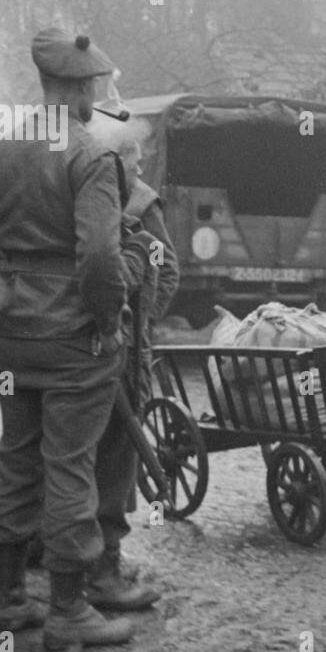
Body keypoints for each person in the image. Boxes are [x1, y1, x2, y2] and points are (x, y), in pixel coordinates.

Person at [0, 29, 159, 648]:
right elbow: (99, 255)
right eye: (93, 87)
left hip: (15, 338)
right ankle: (69, 611)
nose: (95, 97)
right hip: (75, 338)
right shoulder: (88, 155)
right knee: (70, 466)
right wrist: (105, 318)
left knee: (17, 458)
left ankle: (12, 600)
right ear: (77, 88)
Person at [88, 128, 180, 608]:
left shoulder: (142, 206)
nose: (141, 170)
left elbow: (166, 270)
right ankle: (92, 562)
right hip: (94, 348)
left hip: (125, 345)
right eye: (135, 162)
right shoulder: (90, 193)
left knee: (118, 453)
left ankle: (106, 558)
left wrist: (140, 320)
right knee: (101, 454)